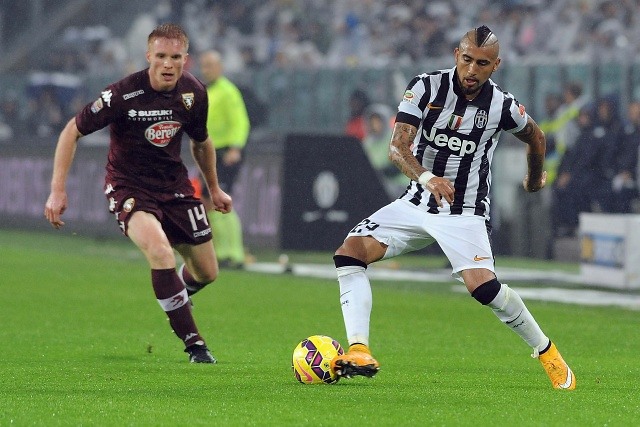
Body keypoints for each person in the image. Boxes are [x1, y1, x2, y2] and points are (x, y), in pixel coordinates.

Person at [330, 25, 576, 390]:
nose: (472, 70)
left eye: (482, 63)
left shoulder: (502, 106)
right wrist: (428, 179)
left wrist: (535, 178)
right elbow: (398, 148)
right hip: (416, 202)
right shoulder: (425, 87)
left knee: (484, 291)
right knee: (349, 254)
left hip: (464, 211)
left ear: (496, 65)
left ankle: (547, 353)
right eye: (466, 60)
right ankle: (360, 350)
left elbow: (536, 137)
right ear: (455, 56)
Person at [44, 23, 231, 364]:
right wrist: (57, 190)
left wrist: (214, 188)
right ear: (148, 57)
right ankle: (195, 345)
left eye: (175, 57)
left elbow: (201, 142)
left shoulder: (193, 93)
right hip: (129, 186)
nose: (168, 64)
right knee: (160, 252)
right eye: (160, 56)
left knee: (207, 272)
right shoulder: (122, 94)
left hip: (174, 186)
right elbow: (72, 130)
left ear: (185, 60)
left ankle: (172, 296)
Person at [199, 50, 251, 269]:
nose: (206, 69)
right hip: (210, 152)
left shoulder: (228, 91)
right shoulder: (206, 92)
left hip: (226, 152)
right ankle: (222, 252)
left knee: (220, 200)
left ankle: (235, 253)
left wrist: (235, 147)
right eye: (204, 65)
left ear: (220, 67)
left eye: (210, 65)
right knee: (209, 200)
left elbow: (241, 122)